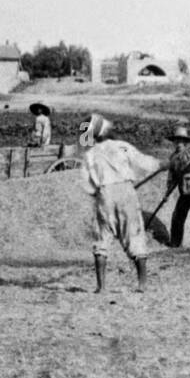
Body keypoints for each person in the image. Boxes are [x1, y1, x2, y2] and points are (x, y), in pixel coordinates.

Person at [79, 113, 158, 293]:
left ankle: (102, 287)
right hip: (126, 192)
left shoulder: (90, 154)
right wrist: (162, 164)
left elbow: (86, 184)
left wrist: (99, 194)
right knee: (134, 235)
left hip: (104, 194)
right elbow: (144, 162)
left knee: (102, 238)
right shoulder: (122, 146)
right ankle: (142, 284)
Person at [150, 125, 190, 249]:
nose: (179, 143)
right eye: (176, 140)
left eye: (181, 140)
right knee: (177, 216)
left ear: (185, 141)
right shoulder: (173, 158)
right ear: (174, 142)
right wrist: (166, 194)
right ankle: (176, 245)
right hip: (184, 190)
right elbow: (172, 179)